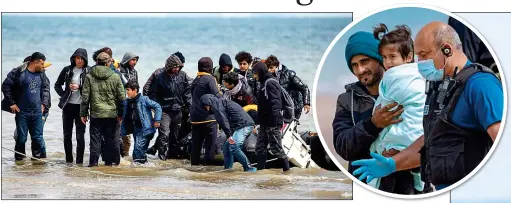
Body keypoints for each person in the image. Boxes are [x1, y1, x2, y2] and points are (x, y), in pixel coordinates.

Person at [351, 22, 503, 191]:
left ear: (447, 50)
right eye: (418, 57)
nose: (420, 63)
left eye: (424, 55)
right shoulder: (438, 88)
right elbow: (431, 141)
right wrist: (393, 164)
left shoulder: (481, 85)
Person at [360, 24, 427, 194]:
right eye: (384, 57)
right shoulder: (422, 75)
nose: (388, 62)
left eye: (392, 56)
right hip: (418, 141)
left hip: (408, 139)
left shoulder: (396, 75)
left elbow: (384, 104)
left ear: (409, 57)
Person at [332, 31, 405, 183]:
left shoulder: (405, 91)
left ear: (379, 59)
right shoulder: (347, 100)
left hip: (406, 185)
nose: (360, 70)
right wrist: (372, 125)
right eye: (354, 65)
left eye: (365, 61)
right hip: (364, 184)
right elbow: (343, 147)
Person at [2, 52, 50, 161]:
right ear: (34, 62)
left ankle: (37, 164)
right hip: (22, 112)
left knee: (37, 138)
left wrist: (44, 104)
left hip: (37, 112)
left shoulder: (42, 73)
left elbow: (46, 88)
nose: (43, 66)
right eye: (42, 64)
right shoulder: (18, 73)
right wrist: (11, 103)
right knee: (21, 138)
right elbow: (5, 86)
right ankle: (19, 162)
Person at [80, 52, 125, 167]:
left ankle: (93, 164)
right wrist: (121, 113)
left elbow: (85, 98)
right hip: (111, 114)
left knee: (95, 141)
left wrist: (83, 114)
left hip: (96, 114)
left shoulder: (89, 76)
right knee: (111, 140)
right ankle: (109, 165)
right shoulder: (115, 76)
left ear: (97, 62)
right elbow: (122, 98)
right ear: (108, 63)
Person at [143, 52, 191, 157]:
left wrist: (191, 109)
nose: (176, 69)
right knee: (164, 134)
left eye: (178, 67)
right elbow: (152, 93)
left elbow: (187, 95)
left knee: (175, 137)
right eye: (174, 67)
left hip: (178, 110)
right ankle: (162, 158)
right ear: (169, 66)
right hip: (164, 110)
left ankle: (171, 160)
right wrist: (156, 107)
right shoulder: (160, 76)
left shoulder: (182, 76)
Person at [200, 94, 257, 172]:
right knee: (226, 148)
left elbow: (223, 120)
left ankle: (249, 168)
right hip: (242, 125)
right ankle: (227, 170)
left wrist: (229, 136)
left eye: (205, 107)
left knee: (234, 146)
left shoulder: (216, 106)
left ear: (208, 103)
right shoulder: (220, 103)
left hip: (243, 126)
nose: (206, 109)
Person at [252, 61, 290, 172]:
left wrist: (273, 122)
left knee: (277, 149)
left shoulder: (270, 83)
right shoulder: (263, 83)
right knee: (260, 148)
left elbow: (276, 104)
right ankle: (260, 171)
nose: (254, 76)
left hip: (273, 123)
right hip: (264, 123)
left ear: (260, 72)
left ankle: (287, 172)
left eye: (255, 74)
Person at [54, 48, 91, 164]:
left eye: (82, 59)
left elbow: (92, 88)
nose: (80, 61)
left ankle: (79, 162)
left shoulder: (89, 71)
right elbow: (57, 85)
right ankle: (69, 161)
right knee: (67, 135)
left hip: (81, 107)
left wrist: (79, 87)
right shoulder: (67, 70)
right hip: (68, 106)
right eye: (77, 58)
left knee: (80, 136)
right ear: (74, 59)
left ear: (85, 60)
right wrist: (64, 95)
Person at [190, 57, 221, 165]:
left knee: (196, 147)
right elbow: (217, 96)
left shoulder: (195, 80)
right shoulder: (210, 79)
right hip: (208, 120)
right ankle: (206, 174)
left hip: (195, 119)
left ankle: (194, 170)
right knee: (210, 148)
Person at [122, 80, 162, 164]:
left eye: (128, 90)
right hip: (135, 129)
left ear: (135, 90)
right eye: (126, 90)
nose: (127, 92)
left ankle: (139, 169)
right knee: (139, 152)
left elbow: (157, 106)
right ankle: (145, 169)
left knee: (137, 151)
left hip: (145, 129)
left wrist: (157, 120)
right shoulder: (127, 102)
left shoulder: (144, 99)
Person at [13, 56, 52, 142]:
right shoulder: (22, 77)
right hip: (24, 112)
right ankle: (20, 155)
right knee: (19, 136)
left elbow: (46, 94)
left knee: (37, 137)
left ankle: (39, 155)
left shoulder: (43, 77)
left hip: (41, 111)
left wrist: (43, 105)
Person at [264, 55, 310, 121]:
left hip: (295, 106)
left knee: (290, 125)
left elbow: (304, 87)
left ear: (277, 67)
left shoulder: (289, 74)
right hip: (282, 107)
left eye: (271, 68)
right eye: (268, 68)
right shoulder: (270, 76)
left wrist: (306, 103)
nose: (269, 70)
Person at [118, 52, 140, 157]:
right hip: (121, 103)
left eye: (136, 60)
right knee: (118, 131)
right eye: (132, 60)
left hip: (131, 104)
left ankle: (125, 156)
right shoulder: (119, 71)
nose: (134, 62)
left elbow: (136, 86)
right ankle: (117, 155)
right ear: (127, 60)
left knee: (128, 133)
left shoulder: (135, 72)